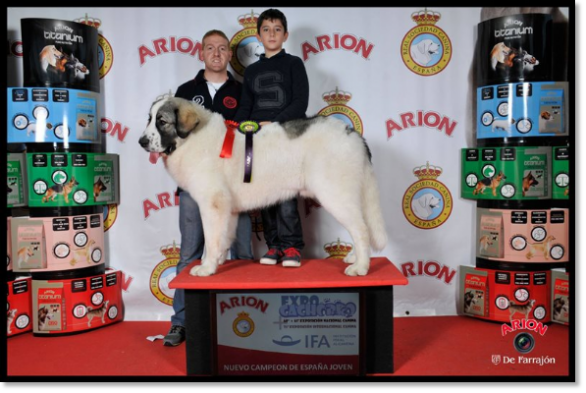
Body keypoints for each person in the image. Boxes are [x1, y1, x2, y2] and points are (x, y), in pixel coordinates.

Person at [163, 30, 254, 347]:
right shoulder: (185, 92)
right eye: (210, 48)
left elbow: (252, 141)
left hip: (234, 188)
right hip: (194, 188)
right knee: (189, 254)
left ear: (230, 55)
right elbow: (172, 137)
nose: (216, 53)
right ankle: (182, 323)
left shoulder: (243, 91)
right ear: (201, 54)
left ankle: (248, 320)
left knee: (242, 253)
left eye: (222, 48)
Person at [234, 8, 309, 268]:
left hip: (285, 138)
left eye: (277, 29)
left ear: (285, 34)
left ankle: (291, 246)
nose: (272, 34)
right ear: (258, 35)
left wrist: (274, 123)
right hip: (259, 141)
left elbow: (300, 103)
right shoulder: (252, 72)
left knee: (286, 196)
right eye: (266, 29)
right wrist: (244, 125)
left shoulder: (294, 64)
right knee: (265, 196)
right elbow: (245, 106)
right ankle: (274, 245)